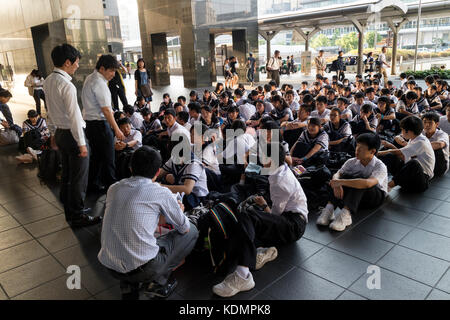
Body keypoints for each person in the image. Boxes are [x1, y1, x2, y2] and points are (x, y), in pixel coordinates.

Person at [98, 146, 198, 300]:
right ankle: (158, 283)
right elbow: (183, 228)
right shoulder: (160, 192)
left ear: (131, 167)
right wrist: (179, 211)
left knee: (130, 233)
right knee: (192, 231)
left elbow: (138, 217)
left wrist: (164, 217)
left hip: (109, 265)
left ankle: (127, 285)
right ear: (158, 172)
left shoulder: (114, 188)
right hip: (143, 268)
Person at [212, 142, 308, 298]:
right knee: (246, 222)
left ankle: (243, 275)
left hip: (294, 225)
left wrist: (263, 207)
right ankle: (259, 252)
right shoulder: (278, 171)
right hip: (289, 219)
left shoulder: (281, 181)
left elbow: (274, 215)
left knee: (248, 217)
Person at [43, 44, 101, 227]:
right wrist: (82, 143)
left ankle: (70, 210)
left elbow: (49, 111)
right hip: (73, 135)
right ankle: (77, 215)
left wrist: (53, 134)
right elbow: (75, 117)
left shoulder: (48, 80)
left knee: (68, 174)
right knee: (79, 178)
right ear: (67, 62)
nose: (77, 66)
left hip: (61, 133)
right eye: (76, 63)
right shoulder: (66, 85)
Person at [317, 133, 388, 231]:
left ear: (372, 151)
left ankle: (346, 215)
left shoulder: (380, 166)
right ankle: (329, 209)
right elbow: (337, 175)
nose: (357, 151)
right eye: (357, 147)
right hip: (354, 198)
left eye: (361, 149)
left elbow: (368, 183)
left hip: (374, 198)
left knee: (361, 182)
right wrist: (337, 183)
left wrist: (340, 182)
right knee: (337, 179)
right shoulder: (351, 161)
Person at [82, 55, 125, 192]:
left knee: (97, 157)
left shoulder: (90, 78)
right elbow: (106, 110)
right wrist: (117, 129)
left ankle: (93, 184)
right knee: (108, 157)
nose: (113, 74)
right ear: (102, 68)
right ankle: (112, 187)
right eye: (111, 70)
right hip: (100, 125)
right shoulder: (100, 84)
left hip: (91, 124)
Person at [378, 116, 435, 193]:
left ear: (409, 131)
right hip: (409, 177)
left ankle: (388, 186)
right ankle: (378, 178)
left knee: (414, 164)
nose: (401, 132)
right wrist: (389, 146)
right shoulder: (414, 139)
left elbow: (399, 152)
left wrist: (378, 153)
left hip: (420, 181)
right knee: (390, 156)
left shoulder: (421, 142)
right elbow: (402, 154)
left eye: (402, 130)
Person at [422, 112, 449, 178]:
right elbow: (401, 136)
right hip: (425, 163)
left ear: (437, 124)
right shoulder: (420, 132)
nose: (427, 125)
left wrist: (417, 146)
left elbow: (440, 144)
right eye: (425, 122)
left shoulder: (442, 134)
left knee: (437, 149)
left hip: (439, 166)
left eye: (430, 123)